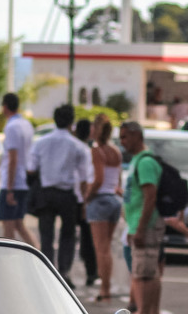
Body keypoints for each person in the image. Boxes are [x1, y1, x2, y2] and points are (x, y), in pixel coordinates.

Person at [28, 104, 91, 285]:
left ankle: (49, 272)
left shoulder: (41, 142)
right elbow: (84, 177)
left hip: (46, 192)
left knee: (46, 234)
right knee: (68, 235)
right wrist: (84, 200)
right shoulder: (78, 146)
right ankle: (64, 272)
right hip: (67, 194)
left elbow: (31, 169)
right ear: (72, 123)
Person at [117, 120, 164, 314]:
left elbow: (150, 197)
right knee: (145, 271)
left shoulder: (145, 162)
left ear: (137, 136)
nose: (122, 141)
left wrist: (141, 228)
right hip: (137, 224)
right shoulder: (138, 160)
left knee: (145, 273)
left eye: (125, 136)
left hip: (146, 225)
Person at [84, 114, 124, 302]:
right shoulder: (116, 151)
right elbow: (118, 180)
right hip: (114, 199)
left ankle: (105, 288)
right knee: (106, 246)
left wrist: (87, 197)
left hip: (99, 200)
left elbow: (98, 179)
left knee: (101, 248)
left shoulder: (96, 151)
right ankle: (107, 285)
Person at [0, 92, 35, 244]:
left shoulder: (12, 126)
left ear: (5, 107)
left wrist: (10, 189)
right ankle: (38, 252)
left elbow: (13, 158)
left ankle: (9, 263)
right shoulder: (26, 124)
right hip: (23, 180)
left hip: (13, 182)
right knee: (19, 224)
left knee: (8, 230)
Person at [72, 116, 98, 288]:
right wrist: (84, 201)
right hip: (82, 197)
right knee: (88, 237)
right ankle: (91, 273)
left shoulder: (73, 147)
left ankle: (65, 271)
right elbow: (85, 178)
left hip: (70, 195)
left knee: (70, 236)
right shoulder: (86, 151)